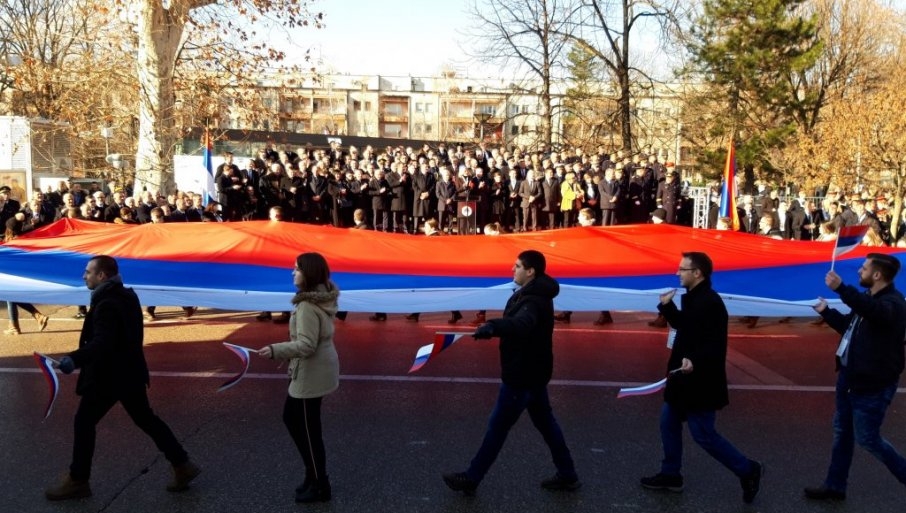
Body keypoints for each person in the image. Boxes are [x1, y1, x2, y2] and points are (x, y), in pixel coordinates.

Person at [46, 255, 200, 500]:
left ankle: (78, 480)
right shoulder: (126, 295)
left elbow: (103, 342)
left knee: (84, 422)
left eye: (88, 272)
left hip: (109, 376)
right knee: (146, 419)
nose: (83, 276)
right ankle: (182, 464)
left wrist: (74, 359)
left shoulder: (107, 303)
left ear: (102, 276)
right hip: (130, 372)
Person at [443, 250, 580, 494]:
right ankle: (568, 473)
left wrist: (492, 327)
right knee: (547, 425)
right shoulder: (533, 294)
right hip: (534, 372)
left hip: (522, 375)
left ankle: (472, 478)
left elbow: (521, 325)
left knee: (497, 427)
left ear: (531, 271)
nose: (512, 269)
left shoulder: (533, 300)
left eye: (517, 266)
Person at [640, 252, 762, 504]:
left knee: (703, 434)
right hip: (682, 377)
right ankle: (670, 473)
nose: (677, 273)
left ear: (698, 273)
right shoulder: (695, 298)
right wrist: (667, 306)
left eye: (682, 269)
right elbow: (686, 327)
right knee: (668, 422)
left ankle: (748, 469)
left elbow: (715, 344)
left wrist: (694, 360)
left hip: (700, 381)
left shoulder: (710, 302)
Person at [804, 253, 906, 501]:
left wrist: (841, 288)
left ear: (877, 275)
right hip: (850, 379)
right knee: (842, 434)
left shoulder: (892, 304)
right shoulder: (868, 300)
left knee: (868, 439)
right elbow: (849, 328)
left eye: (864, 268)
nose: (860, 271)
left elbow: (873, 312)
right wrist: (826, 312)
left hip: (872, 385)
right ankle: (835, 486)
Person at [257, 252, 340, 503]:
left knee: (307, 429)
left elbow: (305, 345)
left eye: (297, 269)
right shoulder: (321, 297)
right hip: (318, 368)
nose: (293, 273)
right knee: (295, 420)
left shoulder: (305, 306)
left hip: (311, 373)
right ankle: (312, 474)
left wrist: (274, 350)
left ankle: (320, 484)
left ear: (309, 273)